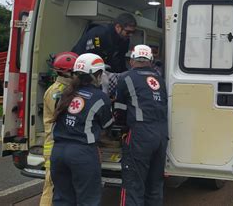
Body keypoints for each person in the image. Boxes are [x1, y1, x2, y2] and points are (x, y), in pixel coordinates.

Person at [50, 53, 113, 206]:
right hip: (82, 153)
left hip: (58, 152)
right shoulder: (100, 97)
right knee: (88, 200)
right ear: (96, 75)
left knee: (62, 199)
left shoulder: (65, 93)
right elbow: (107, 125)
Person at [114, 44, 168, 206]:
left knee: (133, 185)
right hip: (161, 135)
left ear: (132, 60)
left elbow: (120, 110)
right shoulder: (160, 79)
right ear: (151, 61)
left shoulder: (126, 78)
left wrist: (119, 129)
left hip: (140, 134)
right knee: (155, 185)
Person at [40, 52, 78, 206]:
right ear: (67, 72)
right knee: (51, 187)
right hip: (54, 145)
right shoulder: (57, 92)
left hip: (60, 146)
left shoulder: (64, 88)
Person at [71, 13, 137, 73]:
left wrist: (124, 74)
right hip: (79, 64)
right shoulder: (99, 34)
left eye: (133, 32)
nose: (130, 35)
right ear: (118, 27)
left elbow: (120, 59)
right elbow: (91, 54)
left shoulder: (124, 40)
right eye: (128, 32)